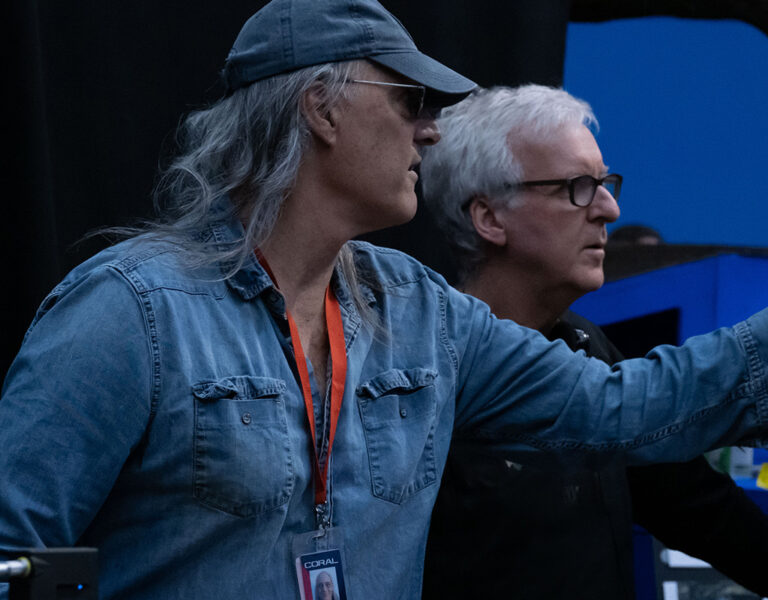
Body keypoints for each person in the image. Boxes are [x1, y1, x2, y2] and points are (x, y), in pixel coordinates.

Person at [1, 2, 768, 599]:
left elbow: (624, 409)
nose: (431, 131)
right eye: (409, 99)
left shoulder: (420, 310)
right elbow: (13, 556)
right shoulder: (131, 310)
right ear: (321, 108)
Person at [418, 84, 768, 598]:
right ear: (489, 217)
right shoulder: (422, 373)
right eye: (577, 187)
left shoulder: (585, 346)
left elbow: (701, 507)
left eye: (606, 184)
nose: (608, 209)